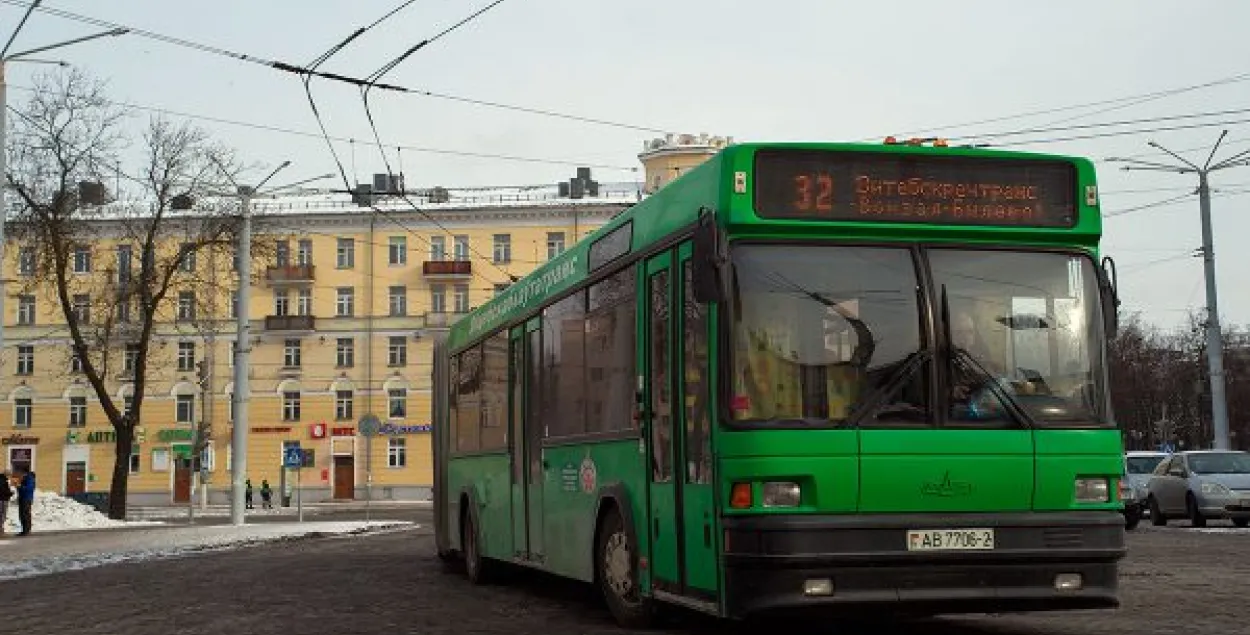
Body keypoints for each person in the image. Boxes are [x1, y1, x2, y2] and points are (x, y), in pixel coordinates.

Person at [14, 468, 34, 536]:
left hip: (26, 499)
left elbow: (28, 489)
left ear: (24, 473)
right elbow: (21, 489)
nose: (19, 474)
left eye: (20, 472)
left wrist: (20, 486)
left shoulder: (29, 479)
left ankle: (26, 530)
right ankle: (24, 530)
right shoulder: (24, 479)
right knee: (22, 515)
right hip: (22, 498)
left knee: (25, 514)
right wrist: (18, 487)